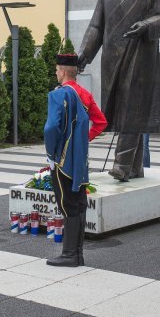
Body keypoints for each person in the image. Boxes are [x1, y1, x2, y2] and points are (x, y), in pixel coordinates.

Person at [78, 0, 160, 181]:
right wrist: (84, 53)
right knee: (121, 109)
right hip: (112, 60)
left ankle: (122, 164)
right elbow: (95, 27)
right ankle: (135, 167)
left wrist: (146, 25)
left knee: (133, 108)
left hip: (139, 57)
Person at [45, 54, 106, 267]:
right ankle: (77, 254)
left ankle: (69, 255)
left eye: (56, 70)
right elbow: (101, 122)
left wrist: (51, 155)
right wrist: (83, 140)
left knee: (68, 205)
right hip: (80, 160)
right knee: (79, 204)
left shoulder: (58, 95)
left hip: (63, 158)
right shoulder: (85, 94)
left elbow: (51, 127)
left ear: (62, 72)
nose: (56, 73)